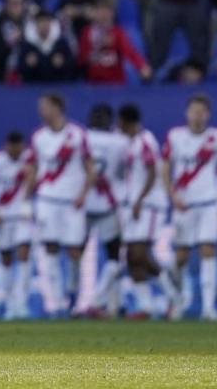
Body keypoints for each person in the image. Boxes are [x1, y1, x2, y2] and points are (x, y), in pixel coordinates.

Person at [162, 94, 217, 322]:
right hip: (184, 205)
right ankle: (173, 290)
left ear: (208, 114)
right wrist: (172, 195)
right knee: (182, 256)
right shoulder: (175, 137)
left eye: (201, 111)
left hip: (208, 204)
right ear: (187, 113)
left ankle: (208, 307)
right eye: (193, 110)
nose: (197, 115)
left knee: (208, 250)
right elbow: (164, 168)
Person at [25, 93, 94, 316]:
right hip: (47, 199)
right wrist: (28, 194)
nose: (40, 111)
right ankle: (55, 301)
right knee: (50, 247)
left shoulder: (77, 134)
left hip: (72, 200)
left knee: (75, 250)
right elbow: (33, 167)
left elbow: (90, 166)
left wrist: (84, 193)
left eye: (44, 106)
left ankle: (73, 294)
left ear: (57, 108)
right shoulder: (38, 137)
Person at [117, 103, 176, 319]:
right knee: (132, 258)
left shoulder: (145, 141)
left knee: (140, 253)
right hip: (135, 204)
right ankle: (145, 306)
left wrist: (140, 199)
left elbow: (153, 172)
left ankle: (173, 295)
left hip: (150, 205)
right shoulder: (130, 143)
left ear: (124, 121)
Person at [0, 131, 34, 320]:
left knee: (24, 253)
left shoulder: (30, 158)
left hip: (22, 215)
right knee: (6, 258)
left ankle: (22, 303)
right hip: (2, 216)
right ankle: (10, 305)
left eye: (18, 147)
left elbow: (35, 181)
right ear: (6, 145)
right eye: (12, 147)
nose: (15, 151)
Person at [83, 104, 128, 318]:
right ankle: (104, 302)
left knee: (77, 253)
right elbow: (124, 170)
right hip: (109, 201)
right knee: (113, 255)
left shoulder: (81, 137)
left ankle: (80, 302)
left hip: (83, 202)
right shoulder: (120, 142)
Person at [77, 0, 151, 84]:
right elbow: (81, 59)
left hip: (115, 84)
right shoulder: (87, 32)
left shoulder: (118, 33)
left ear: (112, 13)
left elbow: (130, 52)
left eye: (107, 10)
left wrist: (142, 66)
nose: (103, 14)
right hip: (93, 84)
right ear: (94, 12)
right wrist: (98, 45)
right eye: (100, 10)